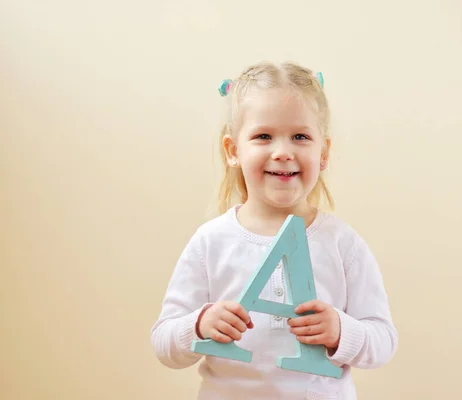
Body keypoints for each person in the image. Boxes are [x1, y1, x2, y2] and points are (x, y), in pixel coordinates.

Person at [150, 61, 398, 399]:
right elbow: (164, 342)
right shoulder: (210, 242)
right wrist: (199, 324)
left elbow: (383, 341)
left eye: (300, 136)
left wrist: (342, 331)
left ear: (323, 152)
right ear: (233, 151)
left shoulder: (342, 244)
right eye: (263, 136)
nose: (282, 152)